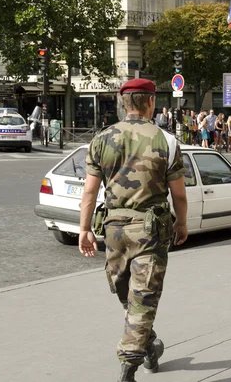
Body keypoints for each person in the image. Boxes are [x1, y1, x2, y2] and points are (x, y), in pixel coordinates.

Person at [78, 78, 188, 382]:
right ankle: (132, 362)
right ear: (150, 102)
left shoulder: (101, 138)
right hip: (150, 231)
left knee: (129, 294)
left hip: (113, 229)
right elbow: (178, 193)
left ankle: (142, 350)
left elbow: (89, 192)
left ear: (123, 103)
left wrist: (84, 228)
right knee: (141, 297)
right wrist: (182, 221)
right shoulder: (166, 140)